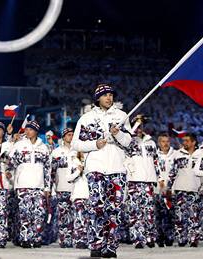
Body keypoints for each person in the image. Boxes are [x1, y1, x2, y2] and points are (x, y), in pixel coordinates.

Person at [71, 84, 132, 258]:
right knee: (97, 207)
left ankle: (111, 247)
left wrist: (118, 134)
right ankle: (96, 244)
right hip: (95, 167)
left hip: (117, 167)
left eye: (111, 95)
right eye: (105, 95)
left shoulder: (121, 116)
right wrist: (94, 144)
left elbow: (128, 142)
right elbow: (75, 144)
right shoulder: (86, 118)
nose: (109, 98)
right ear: (98, 98)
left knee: (115, 208)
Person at [8, 120, 51, 248]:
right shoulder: (20, 145)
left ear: (36, 131)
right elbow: (10, 161)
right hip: (23, 184)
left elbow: (48, 169)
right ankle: (25, 238)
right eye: (26, 129)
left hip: (38, 185)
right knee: (25, 213)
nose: (27, 131)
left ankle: (36, 237)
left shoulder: (43, 147)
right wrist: (9, 172)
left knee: (38, 213)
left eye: (30, 129)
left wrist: (47, 187)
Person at [124, 117, 159, 249]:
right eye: (136, 126)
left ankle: (149, 237)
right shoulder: (128, 142)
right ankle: (138, 239)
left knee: (148, 211)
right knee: (135, 212)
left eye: (141, 126)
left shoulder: (151, 142)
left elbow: (156, 161)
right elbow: (124, 159)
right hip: (134, 181)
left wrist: (158, 178)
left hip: (149, 180)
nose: (139, 129)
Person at [167, 133, 202, 247]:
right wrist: (169, 187)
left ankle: (193, 239)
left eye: (187, 141)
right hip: (180, 189)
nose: (184, 143)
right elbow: (172, 173)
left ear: (193, 142)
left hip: (196, 189)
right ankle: (182, 239)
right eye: (183, 141)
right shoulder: (177, 154)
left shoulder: (201, 154)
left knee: (194, 216)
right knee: (180, 216)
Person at [51, 128, 77, 248]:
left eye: (72, 134)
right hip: (62, 187)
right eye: (68, 135)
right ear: (63, 137)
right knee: (63, 215)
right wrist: (52, 188)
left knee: (76, 215)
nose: (70, 137)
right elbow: (51, 171)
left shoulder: (78, 150)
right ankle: (64, 240)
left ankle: (76, 239)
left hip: (77, 188)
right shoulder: (56, 152)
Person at [154, 133, 176, 247]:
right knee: (158, 214)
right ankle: (159, 237)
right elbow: (153, 169)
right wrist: (160, 180)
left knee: (170, 214)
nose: (165, 144)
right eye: (163, 141)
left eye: (167, 141)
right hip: (157, 189)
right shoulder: (154, 155)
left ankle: (169, 237)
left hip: (171, 190)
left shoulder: (175, 154)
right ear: (159, 143)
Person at [66, 151, 89, 249]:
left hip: (90, 194)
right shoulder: (72, 160)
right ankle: (79, 240)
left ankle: (89, 240)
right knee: (79, 218)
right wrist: (78, 171)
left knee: (88, 219)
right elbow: (68, 178)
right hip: (78, 193)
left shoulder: (91, 158)